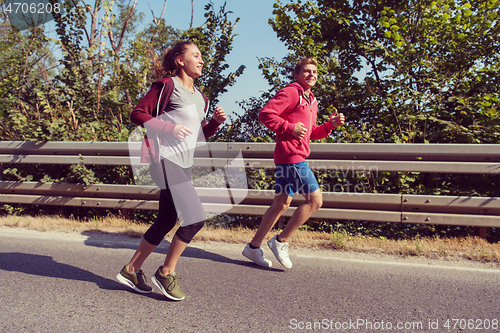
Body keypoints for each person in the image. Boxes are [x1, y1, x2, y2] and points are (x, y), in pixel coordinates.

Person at [116, 41, 227, 301]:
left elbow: (196, 137)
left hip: (183, 165)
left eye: (201, 56)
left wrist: (214, 123)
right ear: (180, 60)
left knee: (166, 220)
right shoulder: (167, 86)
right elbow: (137, 114)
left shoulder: (201, 98)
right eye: (195, 55)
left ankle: (131, 269)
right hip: (164, 160)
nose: (201, 60)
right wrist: (168, 128)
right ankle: (166, 272)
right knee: (195, 217)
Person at [242, 57, 345, 269]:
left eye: (315, 71)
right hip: (292, 158)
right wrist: (289, 128)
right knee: (315, 201)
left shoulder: (312, 101)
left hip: (289, 157)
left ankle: (253, 247)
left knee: (281, 203)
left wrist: (330, 125)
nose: (312, 75)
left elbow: (310, 133)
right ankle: (281, 241)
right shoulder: (291, 92)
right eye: (307, 71)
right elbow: (265, 114)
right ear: (297, 75)